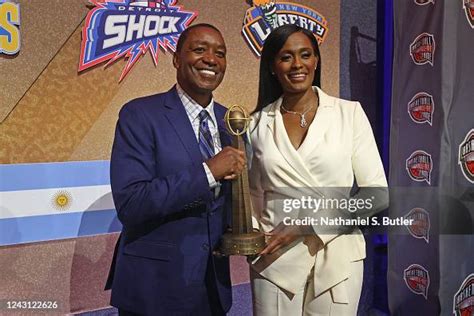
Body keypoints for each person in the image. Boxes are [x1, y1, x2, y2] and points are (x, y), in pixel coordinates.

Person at [105, 23, 246, 315]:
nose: (211, 59)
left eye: (220, 53)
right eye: (199, 50)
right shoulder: (140, 114)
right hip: (154, 290)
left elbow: (230, 200)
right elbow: (131, 203)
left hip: (212, 288)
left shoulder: (228, 121)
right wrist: (209, 171)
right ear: (176, 59)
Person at [248, 24, 389, 315]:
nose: (297, 64)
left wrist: (307, 225)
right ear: (272, 66)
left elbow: (377, 195)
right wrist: (251, 237)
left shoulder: (349, 114)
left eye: (305, 54)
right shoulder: (256, 124)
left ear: (316, 61)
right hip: (274, 260)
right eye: (286, 57)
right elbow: (251, 196)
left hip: (338, 255)